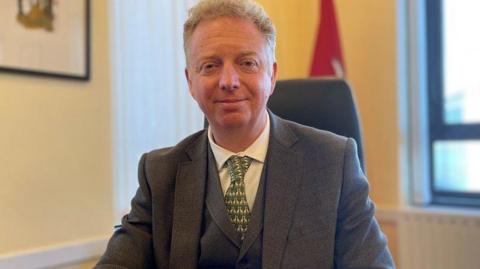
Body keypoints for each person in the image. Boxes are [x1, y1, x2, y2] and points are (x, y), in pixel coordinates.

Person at [95, 0, 395, 268]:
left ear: (272, 75)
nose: (228, 81)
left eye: (247, 63)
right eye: (210, 66)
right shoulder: (160, 173)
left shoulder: (333, 162)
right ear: (190, 80)